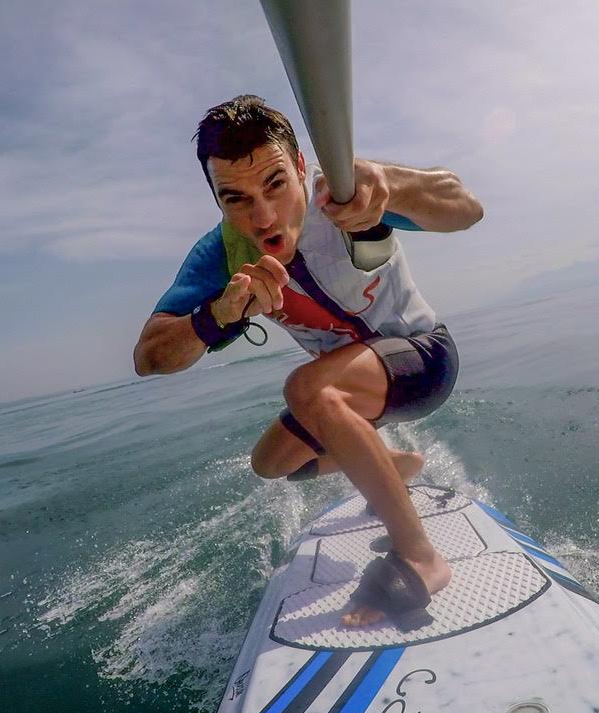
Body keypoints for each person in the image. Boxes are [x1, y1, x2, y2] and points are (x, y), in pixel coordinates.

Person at [133, 95, 483, 628]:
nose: (263, 215)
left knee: (309, 390)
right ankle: (395, 465)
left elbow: (466, 207)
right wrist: (217, 315)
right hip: (354, 389)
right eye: (236, 198)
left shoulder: (344, 192)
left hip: (425, 361)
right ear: (218, 202)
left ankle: (421, 557)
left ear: (301, 167)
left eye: (274, 184)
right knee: (273, 463)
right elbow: (149, 356)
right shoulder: (222, 253)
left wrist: (392, 183)